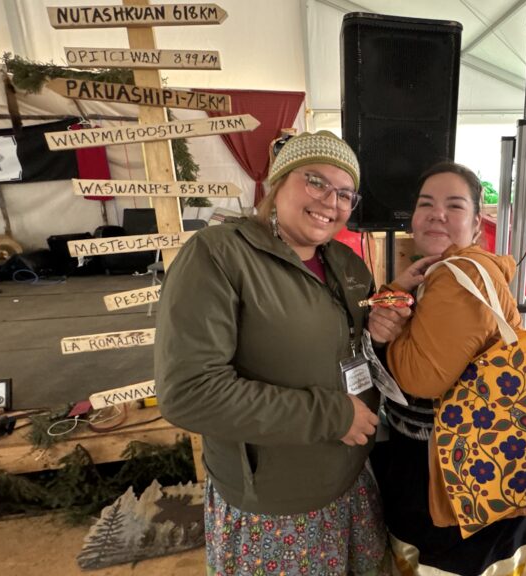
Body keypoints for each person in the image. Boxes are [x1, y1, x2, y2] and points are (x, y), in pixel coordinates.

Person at [155, 131, 409, 576]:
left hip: (351, 481)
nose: (332, 201)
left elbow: (350, 350)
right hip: (276, 508)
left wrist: (379, 334)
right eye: (316, 181)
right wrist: (331, 416)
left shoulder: (347, 264)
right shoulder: (218, 255)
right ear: (277, 183)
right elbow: (189, 393)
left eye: (346, 193)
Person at [372, 162, 526, 575]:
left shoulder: (459, 275)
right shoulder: (439, 274)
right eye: (425, 204)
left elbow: (420, 378)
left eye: (454, 205)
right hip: (486, 482)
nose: (437, 214)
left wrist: (386, 323)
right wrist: (398, 294)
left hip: (461, 494)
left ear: (475, 225)